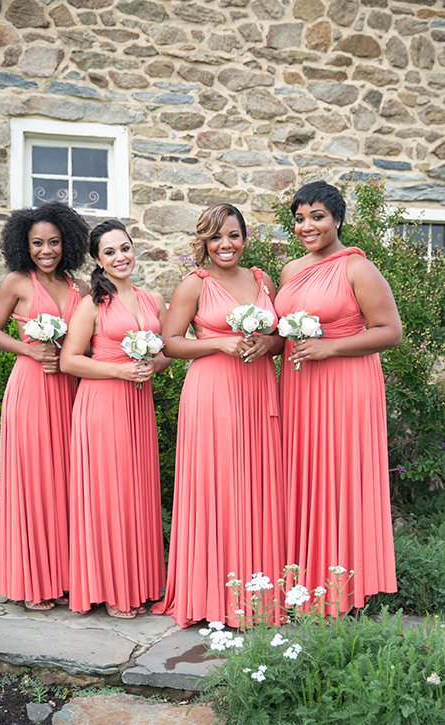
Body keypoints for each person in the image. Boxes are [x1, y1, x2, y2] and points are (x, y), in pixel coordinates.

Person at [152, 203, 286, 628]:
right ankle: (211, 595)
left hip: (258, 389)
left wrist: (267, 344)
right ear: (204, 242)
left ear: (244, 239)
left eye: (233, 235)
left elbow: (281, 338)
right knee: (219, 484)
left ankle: (258, 595)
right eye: (215, 237)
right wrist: (218, 343)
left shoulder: (262, 280)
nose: (225, 244)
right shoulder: (195, 283)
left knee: (258, 483)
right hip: (212, 393)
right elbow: (171, 343)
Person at [275, 181, 402, 616]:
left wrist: (329, 347)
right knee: (304, 474)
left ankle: (343, 588)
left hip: (346, 386)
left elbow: (390, 331)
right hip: (299, 387)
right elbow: (282, 332)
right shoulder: (290, 271)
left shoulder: (357, 268)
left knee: (339, 475)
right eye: (299, 219)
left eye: (317, 216)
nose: (307, 226)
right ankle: (302, 582)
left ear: (338, 219)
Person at [60, 220, 169, 618]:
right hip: (102, 405)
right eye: (110, 252)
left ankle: (139, 584)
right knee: (109, 495)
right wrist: (120, 370)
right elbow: (70, 360)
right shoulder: (92, 304)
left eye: (125, 248)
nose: (121, 257)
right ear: (98, 260)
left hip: (138, 404)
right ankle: (111, 589)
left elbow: (167, 352)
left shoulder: (153, 299)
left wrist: (151, 366)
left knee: (137, 493)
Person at [0, 202, 89, 611]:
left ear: (68, 243)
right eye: (37, 243)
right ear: (24, 246)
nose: (47, 250)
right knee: (34, 482)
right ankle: (32, 583)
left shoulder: (80, 288)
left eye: (54, 242)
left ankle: (63, 577)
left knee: (66, 483)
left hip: (69, 392)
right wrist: (29, 350)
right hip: (30, 390)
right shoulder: (17, 282)